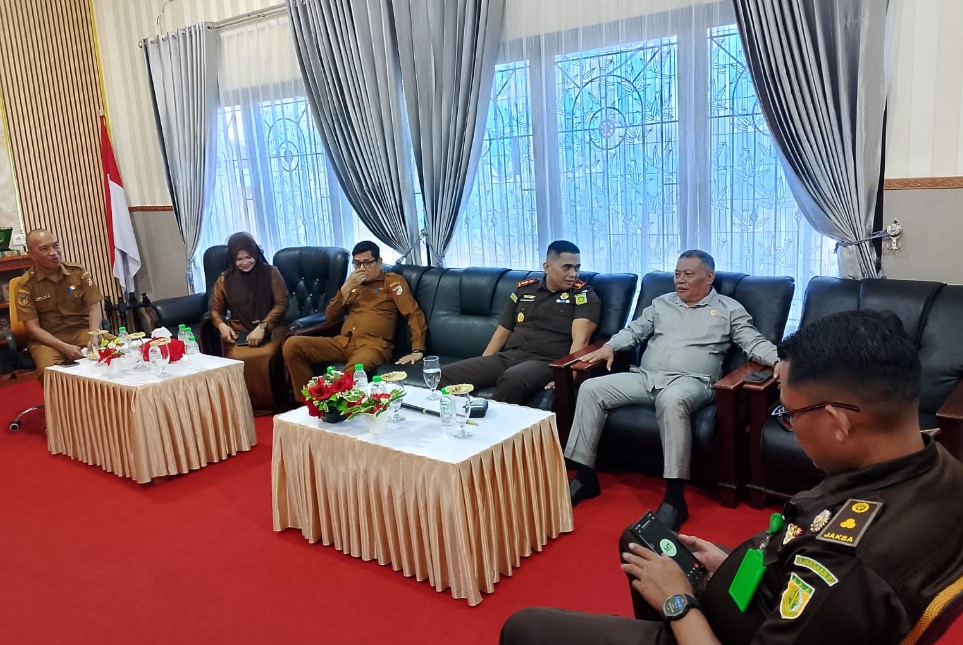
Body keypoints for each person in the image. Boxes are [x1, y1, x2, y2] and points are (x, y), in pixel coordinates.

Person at [501, 310, 963, 645]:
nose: (788, 425)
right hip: (757, 599)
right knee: (640, 541)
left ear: (838, 423)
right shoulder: (936, 467)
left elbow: (824, 575)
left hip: (715, 631)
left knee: (524, 628)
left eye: (789, 414)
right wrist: (729, 566)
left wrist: (678, 603)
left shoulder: (847, 566)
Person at [566, 250, 779, 530]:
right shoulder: (661, 303)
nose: (680, 281)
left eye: (688, 275)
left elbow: (754, 343)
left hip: (692, 382)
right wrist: (609, 347)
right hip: (646, 378)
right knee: (591, 389)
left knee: (671, 399)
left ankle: (675, 498)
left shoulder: (729, 309)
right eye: (677, 274)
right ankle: (584, 476)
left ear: (709, 276)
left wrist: (780, 361)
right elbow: (633, 331)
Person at [438, 240, 601, 405]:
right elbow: (502, 333)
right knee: (442, 375)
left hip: (546, 362)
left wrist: (567, 377)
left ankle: (496, 422)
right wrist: (483, 365)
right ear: (547, 267)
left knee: (512, 379)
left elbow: (581, 341)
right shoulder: (525, 290)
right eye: (567, 267)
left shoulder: (583, 295)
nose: (574, 274)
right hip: (509, 357)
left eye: (577, 268)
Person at [283, 240, 427, 397]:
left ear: (379, 262)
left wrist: (418, 350)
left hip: (373, 346)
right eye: (357, 264)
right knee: (292, 345)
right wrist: (345, 289)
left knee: (353, 372)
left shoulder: (392, 282)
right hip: (344, 343)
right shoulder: (352, 285)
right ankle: (307, 402)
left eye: (367, 263)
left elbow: (413, 313)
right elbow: (331, 317)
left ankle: (335, 405)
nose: (362, 268)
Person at [209, 232, 289, 414]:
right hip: (240, 331)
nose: (245, 262)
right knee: (235, 357)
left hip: (272, 329)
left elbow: (282, 304)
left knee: (267, 354)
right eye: (239, 259)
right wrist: (221, 325)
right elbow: (215, 311)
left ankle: (274, 405)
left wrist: (262, 327)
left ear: (256, 254)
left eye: (249, 257)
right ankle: (244, 407)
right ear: (232, 259)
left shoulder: (271, 273)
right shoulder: (224, 280)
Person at [14, 229, 105, 384]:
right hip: (48, 340)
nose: (54, 252)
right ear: (31, 255)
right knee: (49, 372)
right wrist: (64, 347)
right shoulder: (25, 285)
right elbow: (33, 328)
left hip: (82, 331)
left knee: (119, 351)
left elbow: (93, 308)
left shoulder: (77, 272)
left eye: (55, 245)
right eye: (44, 249)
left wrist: (94, 335)